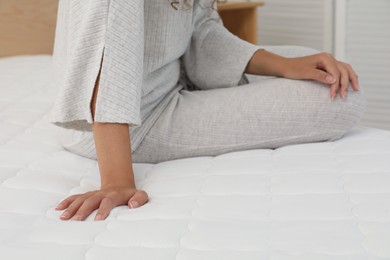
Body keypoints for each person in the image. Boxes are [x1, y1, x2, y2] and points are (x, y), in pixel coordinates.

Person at [51, 0, 365, 221]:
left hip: (173, 80)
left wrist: (285, 66)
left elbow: (200, 27)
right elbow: (108, 49)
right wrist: (117, 182)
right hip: (124, 122)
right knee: (339, 100)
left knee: (320, 67)